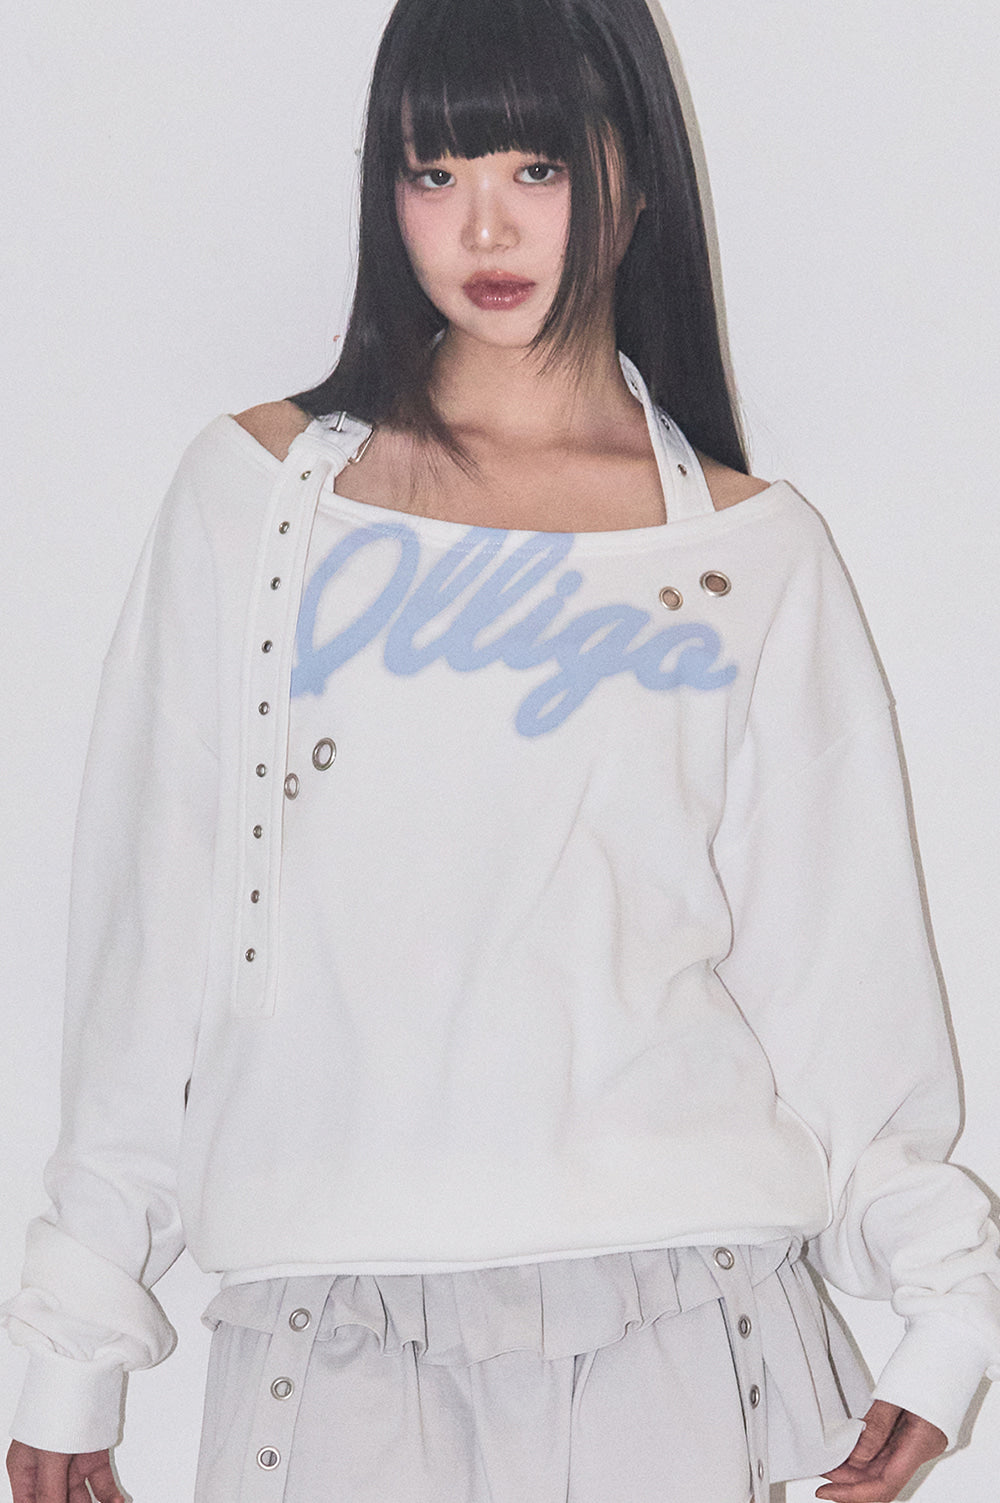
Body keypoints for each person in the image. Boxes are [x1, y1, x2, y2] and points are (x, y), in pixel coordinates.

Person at [4, 0, 1000, 1499]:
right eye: (436, 170)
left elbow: (841, 985)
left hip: (686, 1323)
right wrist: (73, 1336)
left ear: (635, 179)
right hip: (333, 1333)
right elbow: (147, 939)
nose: (485, 226)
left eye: (540, 167)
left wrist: (949, 1310)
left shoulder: (749, 553)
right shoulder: (254, 504)